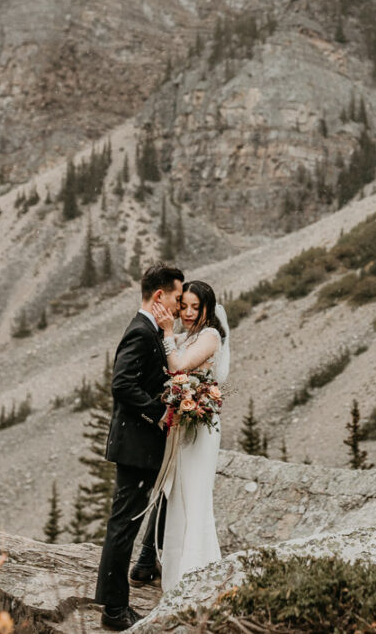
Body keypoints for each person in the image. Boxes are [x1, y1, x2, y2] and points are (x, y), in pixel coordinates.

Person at [93, 264, 183, 632]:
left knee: (126, 523)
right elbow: (122, 384)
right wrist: (160, 412)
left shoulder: (150, 330)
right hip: (135, 445)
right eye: (177, 297)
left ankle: (119, 599)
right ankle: (114, 610)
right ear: (159, 295)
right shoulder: (141, 332)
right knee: (123, 525)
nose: (179, 305)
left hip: (140, 443)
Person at [148, 280, 229, 589]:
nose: (189, 312)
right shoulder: (188, 335)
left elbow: (179, 366)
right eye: (185, 306)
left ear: (208, 308)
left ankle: (198, 573)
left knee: (195, 496)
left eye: (197, 307)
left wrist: (168, 332)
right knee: (179, 496)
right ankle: (177, 575)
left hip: (201, 428)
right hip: (184, 425)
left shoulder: (209, 336)